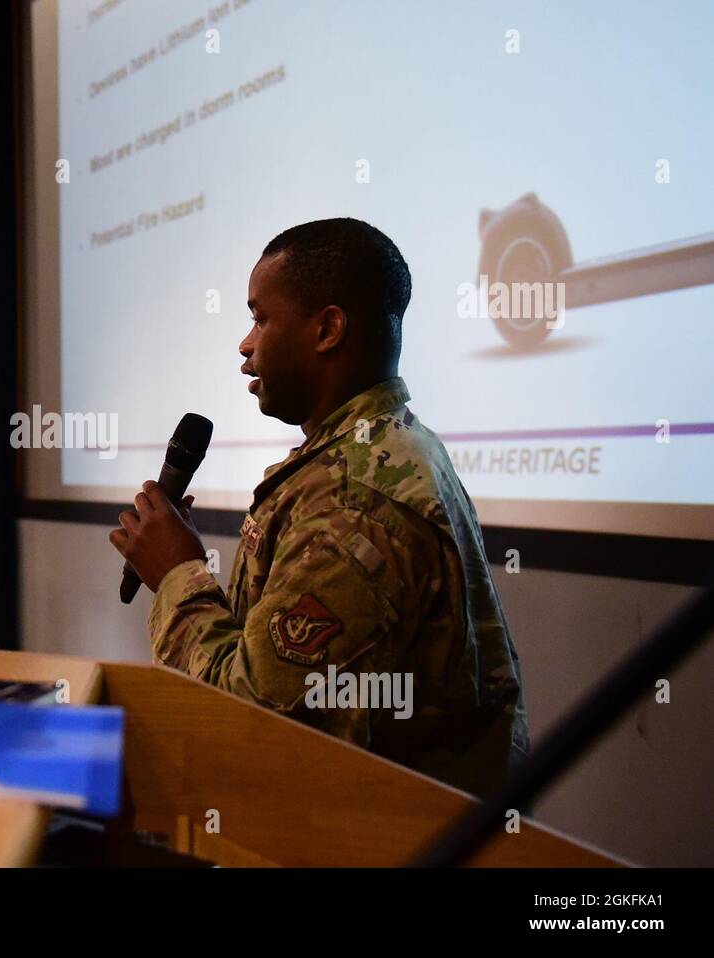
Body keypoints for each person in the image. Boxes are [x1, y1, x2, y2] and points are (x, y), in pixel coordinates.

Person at [108, 218, 529, 798]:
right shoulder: (381, 449)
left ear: (327, 329)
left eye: (260, 317)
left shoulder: (356, 504)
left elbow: (256, 725)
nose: (245, 343)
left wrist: (179, 575)